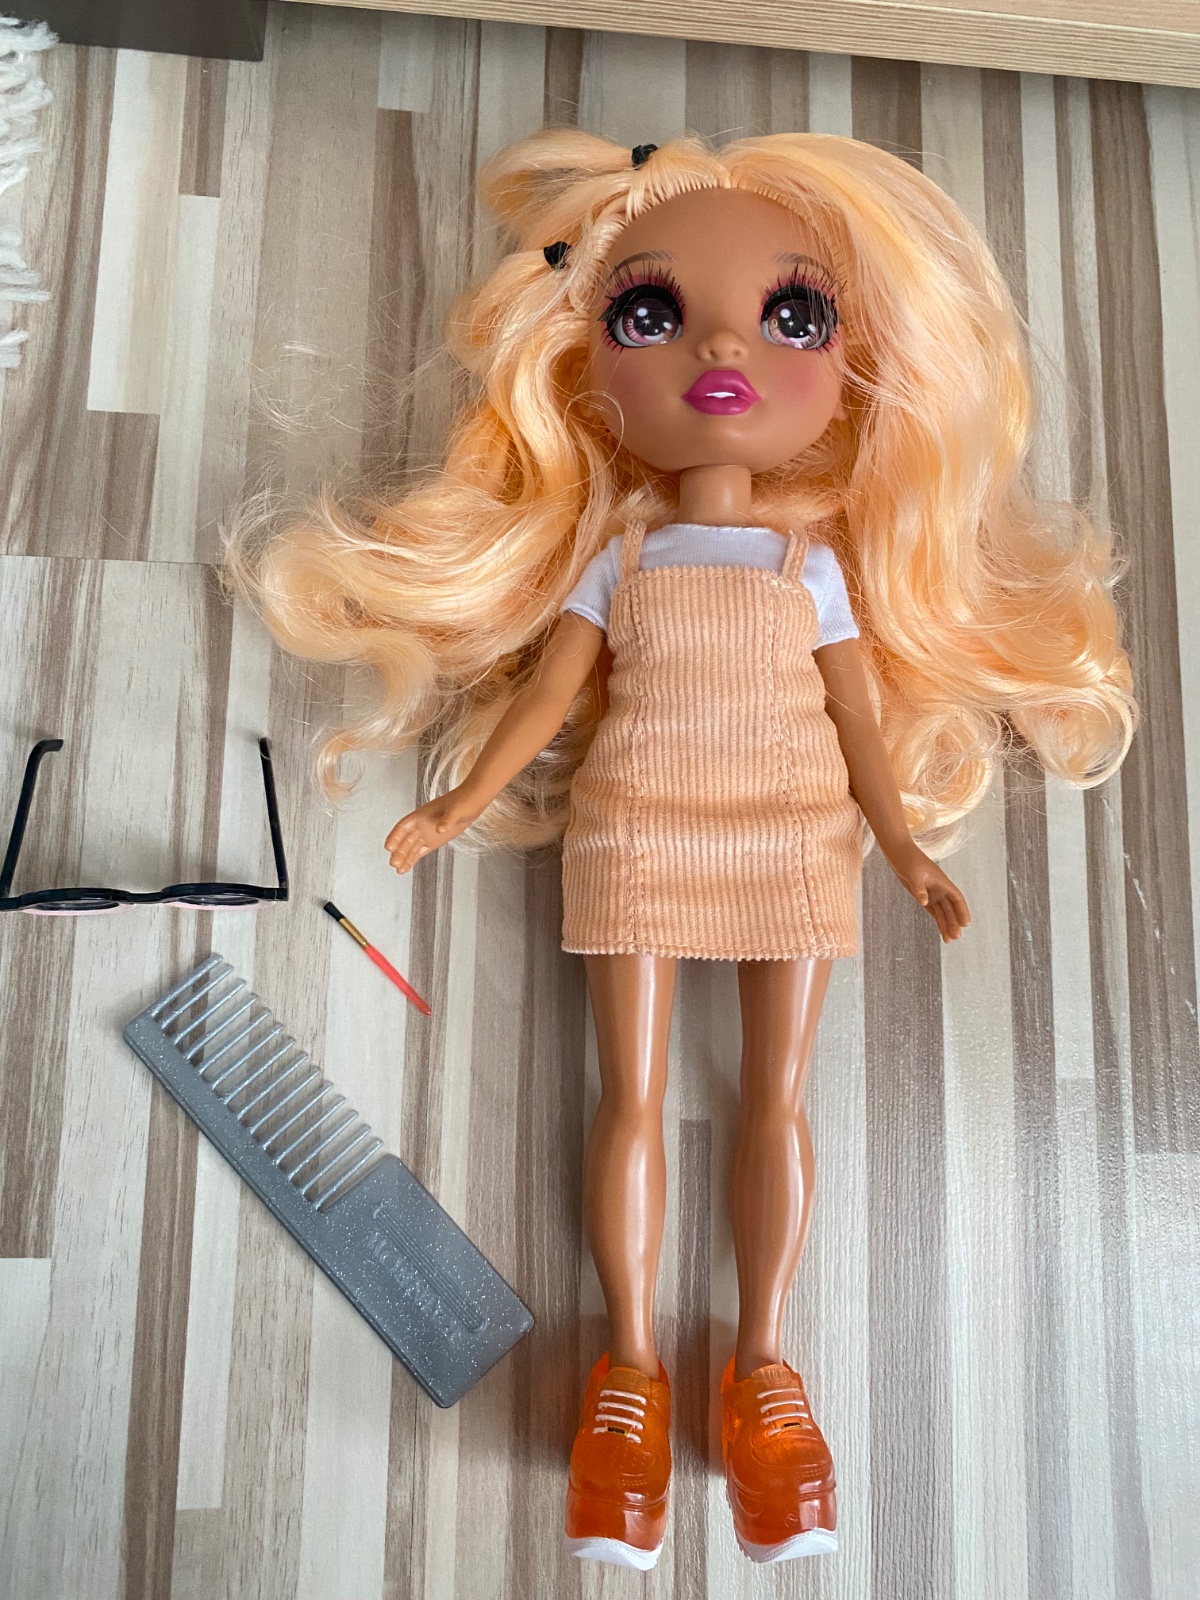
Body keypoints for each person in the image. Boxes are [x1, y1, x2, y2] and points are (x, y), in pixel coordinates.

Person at [224, 128, 1135, 1570]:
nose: (722, 348)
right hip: (640, 828)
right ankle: (631, 1379)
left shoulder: (814, 567)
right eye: (650, 312)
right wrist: (459, 801)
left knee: (777, 1099)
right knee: (629, 1099)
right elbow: (547, 700)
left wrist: (903, 846)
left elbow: (857, 720)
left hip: (795, 833)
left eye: (792, 317)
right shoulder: (623, 558)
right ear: (585, 365)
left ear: (854, 368)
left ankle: (763, 1373)